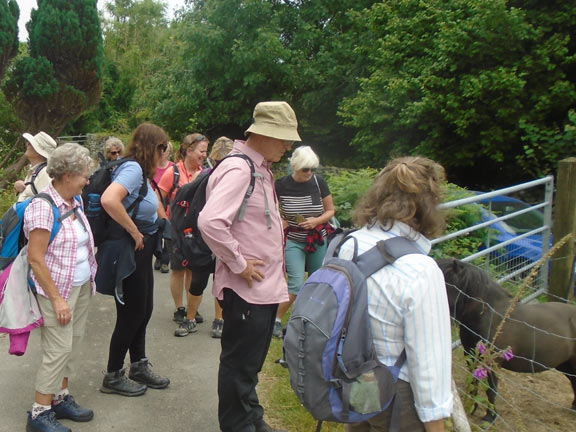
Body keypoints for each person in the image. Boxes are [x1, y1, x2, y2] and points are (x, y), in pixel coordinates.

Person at [198, 101, 299, 432]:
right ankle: (239, 425)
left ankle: (251, 419)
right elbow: (211, 222)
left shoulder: (259, 168)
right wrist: (240, 264)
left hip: (261, 290)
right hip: (248, 290)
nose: (288, 146)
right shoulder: (241, 169)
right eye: (284, 138)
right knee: (239, 366)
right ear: (264, 133)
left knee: (249, 364)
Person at [341, 157, 453, 432]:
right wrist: (435, 422)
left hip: (354, 377)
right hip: (397, 395)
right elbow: (428, 360)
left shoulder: (351, 245)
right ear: (428, 205)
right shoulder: (420, 270)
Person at [23, 143, 97, 432]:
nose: (88, 180)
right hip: (57, 293)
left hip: (79, 287)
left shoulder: (74, 201)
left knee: (72, 346)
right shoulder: (44, 206)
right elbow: (36, 259)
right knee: (57, 350)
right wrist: (57, 300)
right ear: (68, 175)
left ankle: (60, 399)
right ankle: (39, 413)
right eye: (84, 175)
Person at [99, 122, 170, 397]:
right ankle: (113, 374)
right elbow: (109, 200)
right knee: (131, 313)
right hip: (131, 247)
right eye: (163, 148)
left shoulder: (141, 171)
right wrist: (134, 230)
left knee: (144, 308)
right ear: (153, 147)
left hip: (141, 247)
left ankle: (138, 365)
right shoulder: (133, 169)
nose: (165, 154)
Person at [272, 145, 335, 338]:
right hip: (294, 239)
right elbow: (271, 207)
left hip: (317, 240)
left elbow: (331, 211)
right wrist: (280, 220)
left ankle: (309, 321)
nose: (309, 173)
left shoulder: (319, 183)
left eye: (312, 169)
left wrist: (316, 221)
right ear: (295, 167)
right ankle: (275, 320)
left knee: (317, 282)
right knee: (296, 284)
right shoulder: (281, 184)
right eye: (305, 169)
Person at [157, 133, 209, 336]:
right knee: (178, 270)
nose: (204, 155)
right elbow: (158, 197)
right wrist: (165, 221)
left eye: (206, 151)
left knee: (193, 270)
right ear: (189, 151)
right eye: (201, 151)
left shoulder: (205, 173)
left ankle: (191, 310)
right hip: (176, 230)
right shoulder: (173, 172)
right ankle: (180, 308)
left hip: (195, 232)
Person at [186, 136, 235, 339]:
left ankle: (219, 319)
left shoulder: (238, 179)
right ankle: (189, 319)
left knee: (221, 281)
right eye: (217, 161)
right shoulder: (204, 176)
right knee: (198, 280)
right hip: (203, 238)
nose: (219, 165)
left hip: (227, 236)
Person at [14, 131, 57, 202]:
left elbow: (49, 202)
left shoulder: (44, 173)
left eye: (30, 143)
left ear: (38, 152)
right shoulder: (35, 170)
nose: (27, 144)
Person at [152, 141, 175, 273]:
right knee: (155, 234)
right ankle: (158, 256)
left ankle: (165, 261)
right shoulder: (152, 167)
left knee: (167, 233)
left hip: (167, 205)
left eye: (165, 151)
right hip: (154, 204)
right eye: (160, 151)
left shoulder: (173, 168)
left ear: (169, 154)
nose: (162, 153)